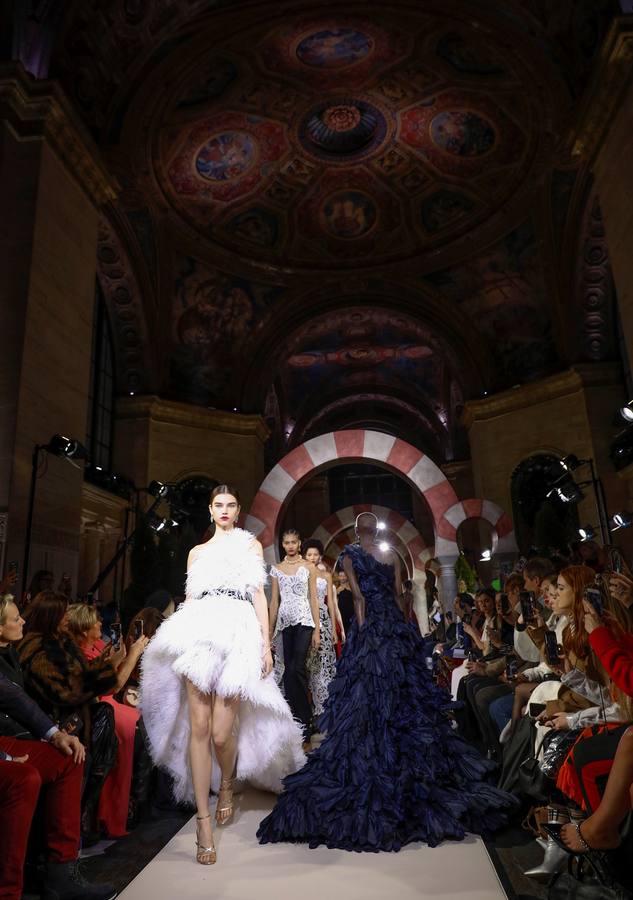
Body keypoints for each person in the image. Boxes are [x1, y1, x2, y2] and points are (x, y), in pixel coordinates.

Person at [257, 512, 516, 851]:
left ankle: (379, 762)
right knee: (404, 692)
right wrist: (403, 632)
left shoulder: (351, 556)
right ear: (375, 529)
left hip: (373, 633)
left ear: (355, 531)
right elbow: (398, 596)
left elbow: (361, 600)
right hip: (394, 629)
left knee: (369, 695)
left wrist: (361, 639)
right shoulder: (391, 554)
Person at [140, 485, 305, 866]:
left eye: (231, 504)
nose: (225, 510)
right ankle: (202, 823)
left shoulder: (249, 546)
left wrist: (266, 644)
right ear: (211, 511)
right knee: (199, 726)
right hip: (199, 630)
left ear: (238, 509)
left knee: (219, 732)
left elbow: (260, 596)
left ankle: (227, 783)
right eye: (219, 505)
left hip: (238, 629)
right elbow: (191, 598)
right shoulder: (197, 552)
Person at [0, 594, 116, 900]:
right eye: (15, 619)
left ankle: (61, 871)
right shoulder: (34, 647)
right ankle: (12, 888)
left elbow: (18, 700)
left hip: (25, 733)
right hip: (11, 739)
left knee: (69, 757)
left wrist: (52, 733)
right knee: (27, 777)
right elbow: (61, 691)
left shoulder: (12, 652)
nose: (22, 620)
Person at [66, 603, 149, 837]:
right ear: (83, 629)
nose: (101, 624)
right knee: (129, 727)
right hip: (99, 704)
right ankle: (110, 811)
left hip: (107, 702)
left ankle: (133, 801)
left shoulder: (100, 644)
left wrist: (122, 655)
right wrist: (132, 654)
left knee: (141, 723)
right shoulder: (78, 653)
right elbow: (113, 684)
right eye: (96, 621)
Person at [268, 529, 320, 745]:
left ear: (300, 544)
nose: (290, 546)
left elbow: (314, 599)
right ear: (282, 545)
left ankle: (306, 717)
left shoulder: (308, 567)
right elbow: (273, 602)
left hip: (305, 621)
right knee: (289, 671)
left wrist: (317, 629)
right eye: (286, 542)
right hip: (284, 623)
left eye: (293, 542)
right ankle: (299, 720)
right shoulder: (277, 570)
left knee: (297, 667)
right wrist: (269, 632)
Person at [303, 540, 343, 723]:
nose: (312, 557)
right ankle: (315, 709)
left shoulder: (326, 575)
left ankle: (327, 708)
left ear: (320, 555)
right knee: (311, 666)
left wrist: (335, 628)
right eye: (309, 554)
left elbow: (332, 605)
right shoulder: (301, 573)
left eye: (315, 554)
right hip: (307, 621)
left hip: (325, 622)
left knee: (326, 666)